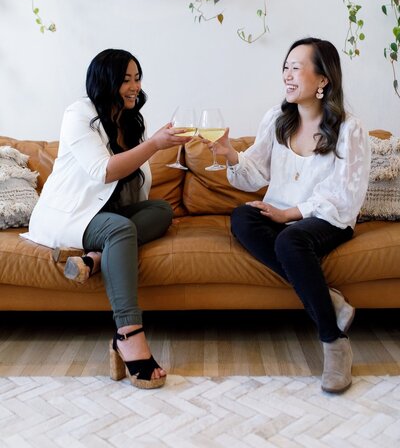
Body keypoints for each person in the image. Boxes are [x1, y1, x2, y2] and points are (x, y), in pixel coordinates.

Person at [23, 48, 192, 390]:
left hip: (108, 214)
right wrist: (156, 145)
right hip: (72, 214)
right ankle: (128, 333)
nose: (134, 86)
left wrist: (149, 141)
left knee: (161, 210)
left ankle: (95, 259)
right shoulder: (79, 114)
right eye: (125, 79)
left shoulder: (131, 120)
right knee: (120, 229)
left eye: (137, 78)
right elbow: (103, 171)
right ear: (105, 82)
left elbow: (136, 182)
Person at [209, 37, 371, 393]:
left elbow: (345, 195)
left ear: (323, 79)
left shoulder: (349, 128)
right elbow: (255, 173)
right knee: (242, 217)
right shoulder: (277, 118)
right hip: (282, 213)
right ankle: (330, 301)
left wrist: (290, 214)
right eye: (285, 67)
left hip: (326, 219)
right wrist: (231, 155)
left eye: (296, 67)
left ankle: (333, 342)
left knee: (290, 238)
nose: (287, 75)